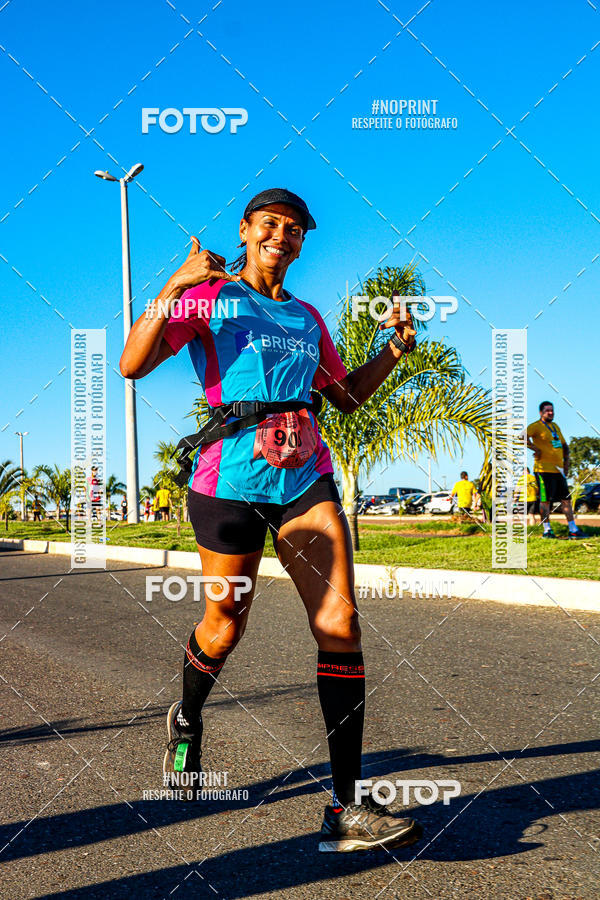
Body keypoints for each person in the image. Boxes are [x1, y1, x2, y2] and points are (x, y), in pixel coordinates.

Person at [120, 187, 423, 853]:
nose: (282, 236)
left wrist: (395, 350)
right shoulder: (210, 296)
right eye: (270, 225)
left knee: (339, 622)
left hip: (305, 482)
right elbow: (132, 363)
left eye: (294, 230)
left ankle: (346, 805)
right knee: (224, 625)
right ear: (246, 230)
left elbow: (342, 398)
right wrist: (175, 282)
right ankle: (189, 715)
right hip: (227, 484)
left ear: (302, 243)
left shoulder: (309, 318)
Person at [526, 402, 584, 539]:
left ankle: (573, 529)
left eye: (552, 410)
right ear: (541, 412)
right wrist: (536, 449)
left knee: (566, 500)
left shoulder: (555, 426)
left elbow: (564, 445)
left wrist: (567, 464)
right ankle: (547, 531)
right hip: (543, 470)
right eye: (547, 411)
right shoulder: (535, 426)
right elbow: (521, 437)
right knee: (545, 501)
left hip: (559, 471)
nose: (550, 413)